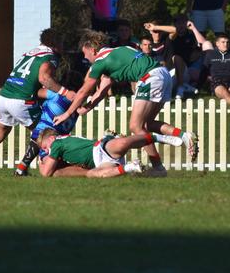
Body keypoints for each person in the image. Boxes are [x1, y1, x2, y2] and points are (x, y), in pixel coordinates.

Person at [53, 30, 199, 174]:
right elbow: (103, 90)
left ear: (92, 49)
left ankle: (158, 168)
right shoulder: (120, 50)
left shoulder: (100, 63)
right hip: (163, 74)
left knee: (135, 126)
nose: (85, 57)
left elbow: (83, 91)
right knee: (146, 125)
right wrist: (88, 107)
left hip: (149, 78)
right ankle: (183, 136)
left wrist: (67, 113)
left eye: (85, 53)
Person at [0, 28, 75, 176]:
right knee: (45, 132)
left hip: (4, 96)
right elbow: (44, 78)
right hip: (21, 101)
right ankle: (22, 169)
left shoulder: (31, 52)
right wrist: (64, 92)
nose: (63, 46)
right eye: (61, 42)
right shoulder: (50, 56)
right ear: (55, 43)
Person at [36, 128, 185, 178]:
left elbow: (46, 172)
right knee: (94, 174)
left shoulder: (56, 144)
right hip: (100, 162)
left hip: (100, 148)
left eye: (44, 146)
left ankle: (161, 137)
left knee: (124, 143)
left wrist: (40, 161)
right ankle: (130, 167)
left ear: (51, 138)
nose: (45, 150)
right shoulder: (58, 143)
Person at [14, 71, 84, 176]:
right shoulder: (79, 100)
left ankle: (21, 169)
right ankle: (22, 169)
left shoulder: (55, 94)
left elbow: (36, 93)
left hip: (48, 131)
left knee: (46, 161)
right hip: (62, 132)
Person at [196, 28, 230, 105]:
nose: (225, 44)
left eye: (227, 42)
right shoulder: (210, 54)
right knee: (224, 93)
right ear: (217, 43)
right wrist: (198, 86)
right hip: (217, 81)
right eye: (223, 42)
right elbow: (204, 71)